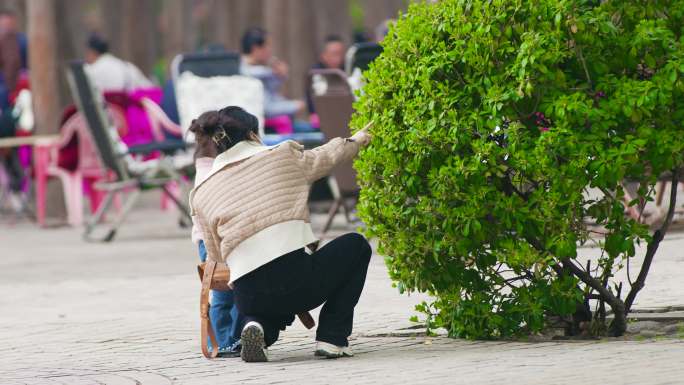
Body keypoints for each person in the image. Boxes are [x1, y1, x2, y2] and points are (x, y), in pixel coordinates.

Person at [189, 106, 372, 362]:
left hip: (248, 296)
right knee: (356, 245)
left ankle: (255, 328)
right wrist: (357, 140)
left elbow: (216, 254)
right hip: (296, 281)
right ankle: (333, 337)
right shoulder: (281, 156)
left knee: (267, 298)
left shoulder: (203, 192)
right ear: (253, 135)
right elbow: (325, 156)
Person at [191, 155, 244, 357]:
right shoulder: (209, 169)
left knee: (232, 290)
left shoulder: (208, 165)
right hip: (213, 239)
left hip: (218, 236)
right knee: (224, 291)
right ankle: (223, 341)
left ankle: (232, 339)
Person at [239, 27, 305, 120]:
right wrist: (295, 106)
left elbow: (271, 95)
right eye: (267, 45)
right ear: (256, 48)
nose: (270, 50)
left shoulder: (255, 69)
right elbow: (265, 108)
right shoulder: (249, 72)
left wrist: (279, 77)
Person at [84, 34, 153, 92]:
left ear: (92, 52)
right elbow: (150, 88)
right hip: (130, 106)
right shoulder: (126, 66)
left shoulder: (92, 69)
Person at [306, 35, 346, 115]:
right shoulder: (315, 73)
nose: (339, 58)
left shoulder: (347, 71)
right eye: (334, 54)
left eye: (341, 54)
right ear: (323, 56)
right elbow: (312, 105)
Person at [0, 9, 20, 110]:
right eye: (4, 24)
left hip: (19, 83)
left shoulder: (22, 41)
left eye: (9, 23)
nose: (7, 27)